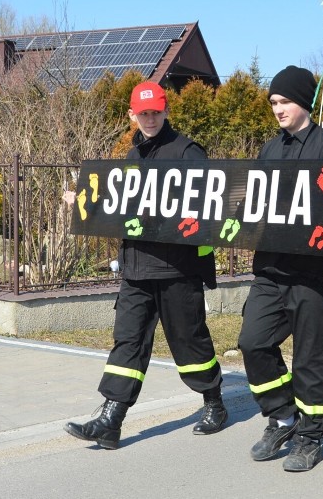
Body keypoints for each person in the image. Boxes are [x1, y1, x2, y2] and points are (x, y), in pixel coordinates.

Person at [64, 81, 226, 449]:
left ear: (166, 111)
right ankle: (111, 420)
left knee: (189, 342)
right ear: (132, 115)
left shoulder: (187, 152)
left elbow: (209, 209)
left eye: (155, 112)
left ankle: (214, 401)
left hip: (176, 270)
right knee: (128, 341)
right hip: (135, 268)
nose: (149, 119)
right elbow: (120, 210)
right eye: (143, 113)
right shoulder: (132, 156)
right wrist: (83, 206)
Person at [238, 65, 323, 471]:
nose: (278, 109)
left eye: (284, 101)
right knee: (253, 342)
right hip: (271, 271)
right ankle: (283, 416)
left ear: (304, 102)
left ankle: (311, 434)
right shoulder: (270, 150)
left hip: (317, 276)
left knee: (313, 359)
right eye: (273, 102)